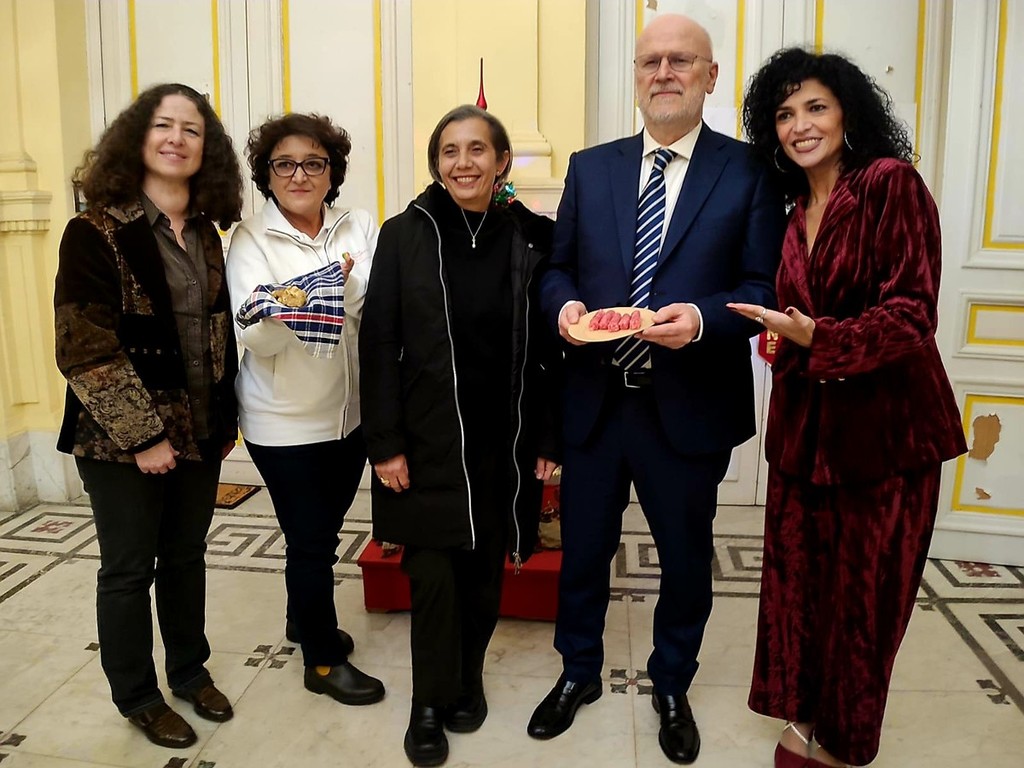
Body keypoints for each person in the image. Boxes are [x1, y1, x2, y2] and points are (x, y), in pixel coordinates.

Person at [531, 13, 786, 765]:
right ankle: (578, 671)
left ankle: (672, 682)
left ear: (710, 76)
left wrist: (702, 320)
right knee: (583, 553)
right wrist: (564, 307)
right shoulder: (591, 167)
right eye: (651, 61)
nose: (664, 73)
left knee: (685, 557)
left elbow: (762, 285)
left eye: (681, 60)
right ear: (636, 77)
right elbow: (557, 269)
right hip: (595, 402)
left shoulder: (748, 171)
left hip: (688, 403)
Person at [732, 48, 967, 768]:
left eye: (816, 107)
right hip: (806, 437)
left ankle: (844, 739)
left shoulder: (890, 184)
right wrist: (781, 341)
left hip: (889, 438)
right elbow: (794, 322)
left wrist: (820, 337)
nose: (800, 125)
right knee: (802, 590)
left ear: (847, 114)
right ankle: (807, 712)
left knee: (866, 603)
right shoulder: (790, 213)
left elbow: (912, 313)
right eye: (784, 114)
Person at [360, 104, 560, 767]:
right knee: (432, 576)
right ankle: (428, 702)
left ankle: (467, 678)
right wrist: (384, 442)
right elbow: (378, 340)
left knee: (483, 571)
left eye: (478, 149)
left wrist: (549, 437)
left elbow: (551, 350)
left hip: (502, 438)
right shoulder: (405, 234)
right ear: (436, 163)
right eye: (450, 150)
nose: (464, 162)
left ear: (502, 162)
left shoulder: (531, 237)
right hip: (425, 439)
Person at [54, 83, 243, 749]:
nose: (176, 139)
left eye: (192, 129)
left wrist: (222, 421)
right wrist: (144, 437)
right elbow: (84, 349)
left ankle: (189, 671)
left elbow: (218, 335)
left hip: (200, 431)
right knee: (129, 569)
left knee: (186, 557)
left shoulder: (207, 233)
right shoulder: (94, 232)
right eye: (164, 125)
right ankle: (136, 694)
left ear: (206, 149)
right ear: (137, 136)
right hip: (120, 441)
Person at [225, 113, 385, 707]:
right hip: (283, 423)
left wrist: (307, 297)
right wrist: (326, 291)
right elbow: (257, 334)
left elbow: (375, 305)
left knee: (326, 528)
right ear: (267, 174)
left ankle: (302, 618)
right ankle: (321, 659)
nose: (299, 175)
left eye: (314, 163)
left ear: (331, 172)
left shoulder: (357, 224)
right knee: (310, 541)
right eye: (285, 164)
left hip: (351, 415)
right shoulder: (251, 239)